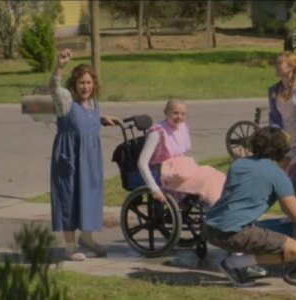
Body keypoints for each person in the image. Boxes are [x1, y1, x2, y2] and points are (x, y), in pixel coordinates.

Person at [204, 127, 296, 287]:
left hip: (210, 228)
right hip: (232, 234)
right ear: (282, 150)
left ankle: (241, 261)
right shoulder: (278, 176)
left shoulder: (239, 164)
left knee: (257, 227)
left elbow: (255, 180)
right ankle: (234, 264)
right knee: (294, 249)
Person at [49, 49, 121, 261]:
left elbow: (87, 119)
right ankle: (70, 246)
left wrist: (101, 118)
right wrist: (60, 65)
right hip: (69, 157)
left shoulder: (94, 104)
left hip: (90, 159)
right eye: (81, 83)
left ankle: (87, 238)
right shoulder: (66, 101)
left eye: (89, 83)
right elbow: (54, 87)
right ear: (74, 84)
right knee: (68, 197)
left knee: (91, 194)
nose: (86, 87)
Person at [137, 99, 225, 207]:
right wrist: (154, 188)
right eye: (175, 113)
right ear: (165, 112)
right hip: (164, 173)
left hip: (181, 171)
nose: (179, 117)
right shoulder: (157, 132)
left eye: (183, 114)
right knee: (205, 183)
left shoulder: (182, 127)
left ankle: (222, 204)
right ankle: (215, 207)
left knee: (214, 174)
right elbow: (142, 162)